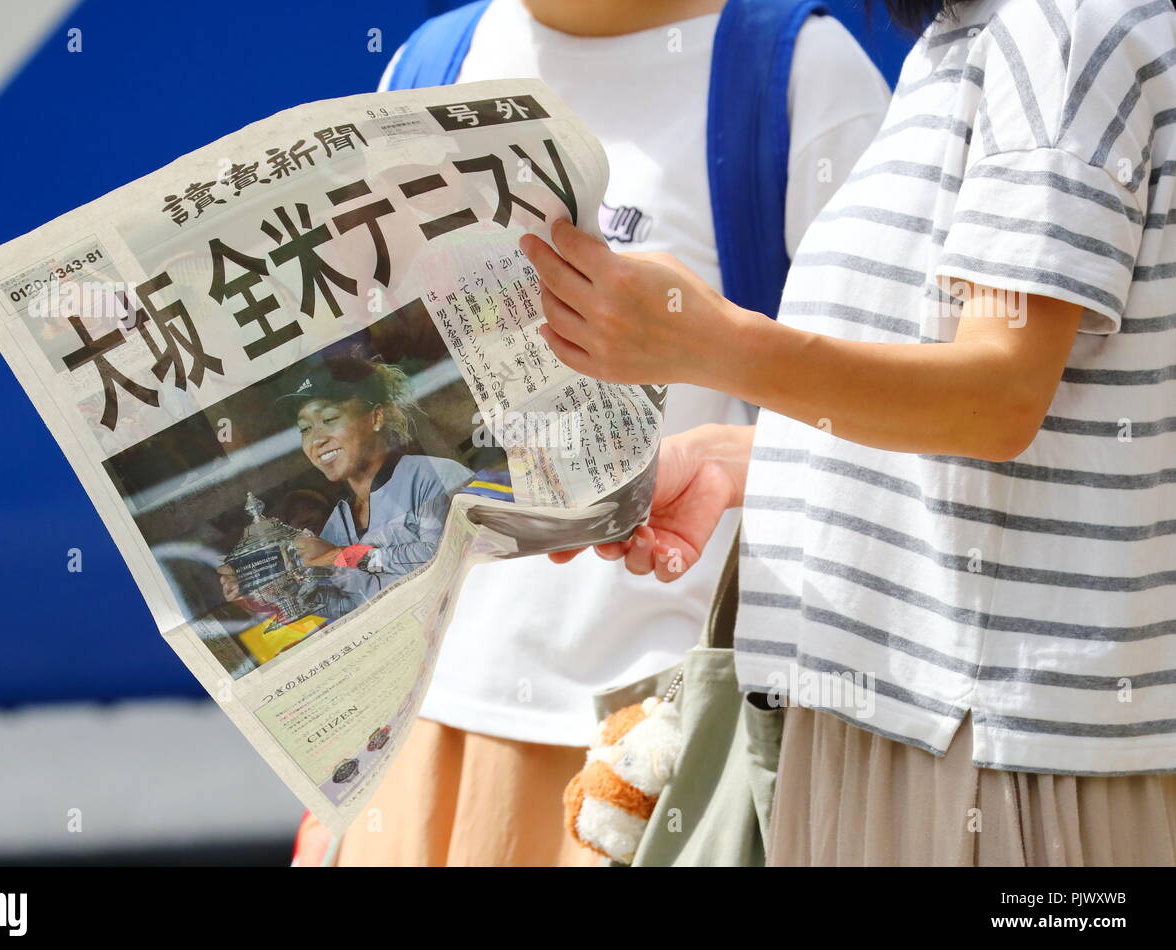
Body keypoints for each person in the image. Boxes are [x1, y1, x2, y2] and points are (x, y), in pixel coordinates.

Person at [535, 0, 1176, 865]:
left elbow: (997, 398)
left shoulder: (1057, 26)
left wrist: (709, 342)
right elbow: (1013, 432)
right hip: (922, 729)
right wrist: (750, 459)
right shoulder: (968, 38)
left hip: (994, 758)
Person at [295, 0, 891, 866]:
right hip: (416, 728)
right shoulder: (432, 62)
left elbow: (900, 427)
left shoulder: (794, 75)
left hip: (660, 740)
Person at [219, 354, 473, 615]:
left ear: (375, 417)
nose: (316, 440)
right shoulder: (337, 526)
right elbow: (351, 606)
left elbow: (440, 558)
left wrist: (341, 556)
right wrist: (266, 591)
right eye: (305, 429)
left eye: (329, 419)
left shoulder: (433, 476)